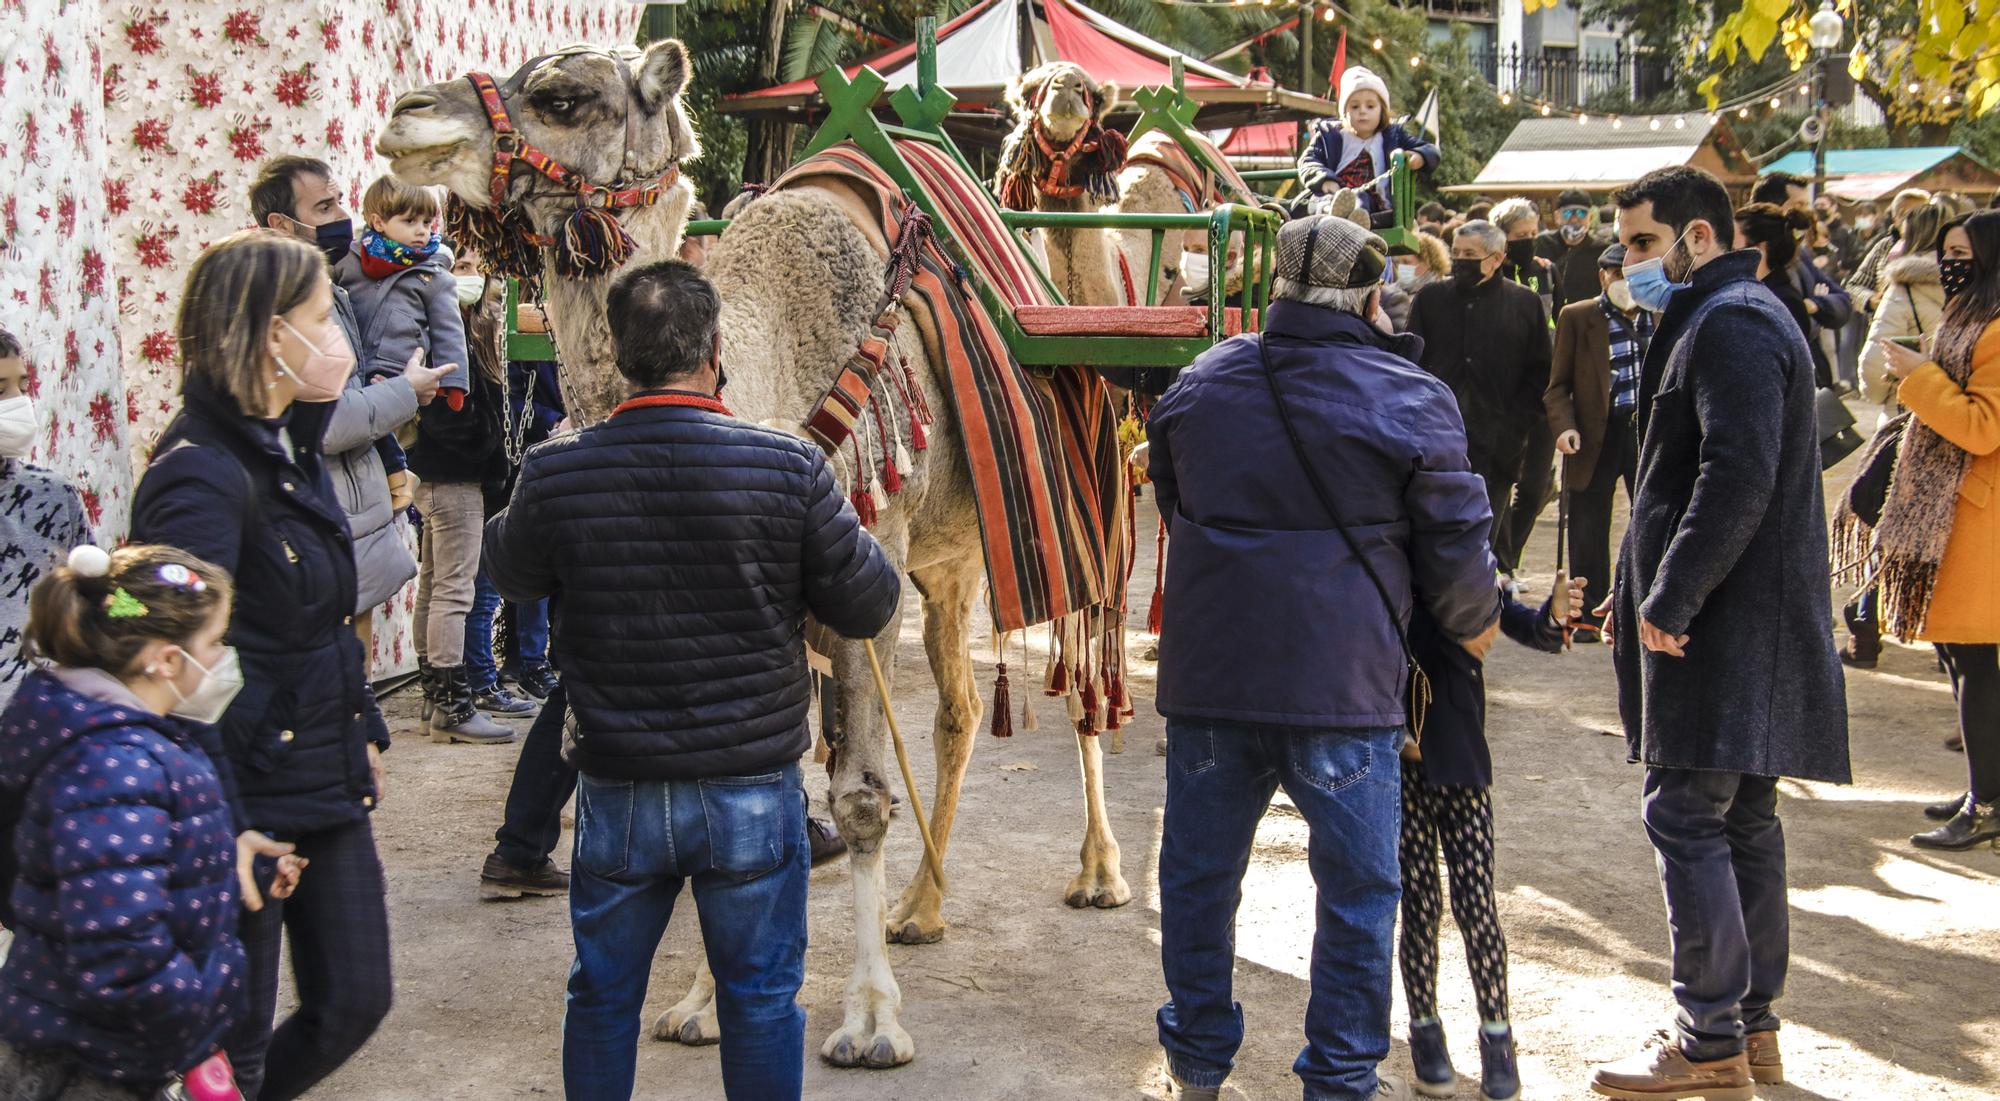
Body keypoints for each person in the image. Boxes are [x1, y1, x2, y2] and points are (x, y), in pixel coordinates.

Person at [484, 259, 899, 1101]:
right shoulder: (787, 467)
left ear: (619, 354)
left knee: (601, 997)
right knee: (760, 1002)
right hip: (749, 787)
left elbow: (510, 572)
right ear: (715, 350)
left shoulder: (559, 471)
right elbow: (870, 600)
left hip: (619, 786)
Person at [1146, 213, 1502, 1101]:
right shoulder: (1412, 394)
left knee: (1197, 878)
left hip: (1214, 680)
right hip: (1344, 687)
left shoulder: (1198, 385)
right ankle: (1341, 1078)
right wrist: (1472, 624)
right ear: (1374, 297)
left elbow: (1173, 493)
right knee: (1357, 891)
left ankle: (1196, 1066)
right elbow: (1458, 554)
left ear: (1275, 292)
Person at [1590, 166, 1849, 1101]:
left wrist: (1671, 597)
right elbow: (1687, 477)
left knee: (1689, 813)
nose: (1629, 263)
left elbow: (1733, 479)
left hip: (1722, 627)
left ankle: (1709, 1039)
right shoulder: (1730, 312)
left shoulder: (1731, 320)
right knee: (1740, 817)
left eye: (1643, 244)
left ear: (1699, 238)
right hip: (1733, 621)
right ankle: (1751, 1029)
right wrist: (1644, 587)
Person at [131, 229, 399, 1101]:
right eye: (324, 318)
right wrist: (223, 821)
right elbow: (162, 653)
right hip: (239, 792)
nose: (338, 340)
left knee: (356, 998)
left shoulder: (288, 440)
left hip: (318, 768)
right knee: (230, 1045)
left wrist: (360, 725)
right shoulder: (199, 474)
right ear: (267, 332)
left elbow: (319, 619)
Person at [0, 544, 300, 1101]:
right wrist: (192, 1027)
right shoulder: (115, 764)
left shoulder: (123, 743)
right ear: (166, 660)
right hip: (95, 1066)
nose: (223, 657)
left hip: (107, 1046)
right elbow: (121, 946)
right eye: (215, 642)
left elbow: (137, 873)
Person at [248, 156, 444, 666]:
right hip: (316, 518)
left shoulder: (326, 286)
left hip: (344, 516)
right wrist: (407, 391)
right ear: (280, 224)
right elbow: (328, 422)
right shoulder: (275, 299)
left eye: (339, 201)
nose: (342, 215)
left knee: (348, 673)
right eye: (325, 205)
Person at [1401, 571, 1587, 1101]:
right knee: (1419, 905)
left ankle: (1498, 1039)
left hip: (1462, 768)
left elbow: (1536, 631)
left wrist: (1554, 613)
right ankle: (1426, 1037)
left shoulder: (1468, 563)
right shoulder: (1387, 556)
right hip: (1401, 768)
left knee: (1477, 904)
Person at [1871, 211, 2000, 851]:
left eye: (1960, 252)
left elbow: (1982, 426)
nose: (1948, 263)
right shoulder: (1973, 317)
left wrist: (1918, 377)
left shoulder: (1997, 328)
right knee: (1959, 656)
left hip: (1979, 515)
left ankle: (1987, 804)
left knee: (1978, 662)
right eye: (1946, 250)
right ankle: (1986, 785)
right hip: (1956, 511)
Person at [404, 243, 528, 738]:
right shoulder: (444, 338)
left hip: (440, 477)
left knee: (434, 586)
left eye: (477, 269)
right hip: (455, 478)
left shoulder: (454, 334)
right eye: (462, 269)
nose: (473, 278)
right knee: (453, 591)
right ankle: (453, 706)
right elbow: (450, 418)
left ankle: (435, 693)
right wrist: (489, 455)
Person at [1407, 220, 1553, 558]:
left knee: (1481, 546)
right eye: (1456, 253)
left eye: (1470, 254)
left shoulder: (1524, 304)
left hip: (1498, 447)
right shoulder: (1430, 299)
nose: (1460, 261)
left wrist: (1513, 430)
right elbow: (1411, 364)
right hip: (1436, 443)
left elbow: (1538, 375)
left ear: (1497, 259)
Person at [1547, 244, 1651, 639]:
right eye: (1614, 273)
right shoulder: (1578, 316)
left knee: (1652, 517)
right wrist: (1564, 427)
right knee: (1589, 523)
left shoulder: (1659, 313)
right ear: (1602, 277)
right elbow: (1557, 389)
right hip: (1595, 433)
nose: (1621, 281)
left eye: (1629, 273)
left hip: (1646, 430)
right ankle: (1588, 616)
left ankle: (1647, 610)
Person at [0, 328, 94, 697]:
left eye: (22, 386)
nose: (17, 401)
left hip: (39, 729)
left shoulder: (53, 496)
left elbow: (98, 597)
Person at [1490, 198, 1563, 577]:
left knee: (1535, 488)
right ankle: (1502, 566)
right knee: (1503, 480)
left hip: (1546, 390)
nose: (1530, 241)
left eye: (1533, 234)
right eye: (1521, 236)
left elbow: (1560, 325)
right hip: (1506, 395)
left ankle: (1510, 558)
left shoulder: (1546, 273)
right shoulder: (1489, 276)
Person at [1298, 66, 1438, 227]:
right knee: (1323, 201)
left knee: (1360, 198)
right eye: (1354, 107)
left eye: (1370, 106)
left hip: (1373, 204)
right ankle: (1332, 213)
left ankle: (1358, 222)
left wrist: (1419, 156)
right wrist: (1324, 180)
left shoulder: (1392, 135)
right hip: (1334, 192)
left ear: (1382, 111)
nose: (1362, 112)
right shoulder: (1330, 135)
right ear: (1344, 112)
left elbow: (1430, 149)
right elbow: (1308, 161)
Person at [1735, 203, 1835, 389]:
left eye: (1734, 246)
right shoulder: (1757, 291)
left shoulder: (1782, 300)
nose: (1727, 253)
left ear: (1758, 249)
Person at [1538, 188, 1611, 307]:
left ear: (1590, 218)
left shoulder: (1603, 250)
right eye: (1568, 213)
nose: (1574, 218)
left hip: (1586, 318)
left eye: (1581, 213)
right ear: (1557, 216)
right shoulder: (1540, 244)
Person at [1380, 231, 1449, 331]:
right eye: (1397, 262)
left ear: (1427, 262)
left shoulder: (1442, 291)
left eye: (1406, 262)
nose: (1401, 267)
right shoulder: (1390, 292)